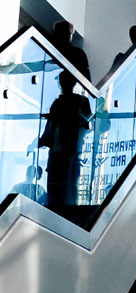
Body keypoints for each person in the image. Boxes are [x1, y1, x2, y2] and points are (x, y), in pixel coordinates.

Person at [40, 72, 93, 206]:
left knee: (68, 181)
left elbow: (87, 122)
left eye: (62, 81)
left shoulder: (79, 101)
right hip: (59, 149)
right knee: (57, 181)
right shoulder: (58, 102)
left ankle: (66, 207)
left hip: (70, 149)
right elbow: (50, 125)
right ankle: (56, 206)